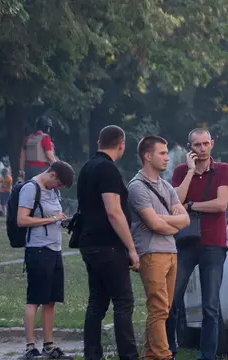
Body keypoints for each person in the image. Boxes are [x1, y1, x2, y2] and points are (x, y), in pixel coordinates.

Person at [166, 128, 228, 360]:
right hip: (185, 242)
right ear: (190, 148)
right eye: (198, 145)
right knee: (172, 299)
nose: (203, 149)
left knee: (211, 305)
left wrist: (192, 205)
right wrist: (190, 172)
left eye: (206, 144)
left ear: (212, 144)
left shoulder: (223, 170)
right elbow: (176, 200)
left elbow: (220, 204)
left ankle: (208, 355)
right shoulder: (180, 171)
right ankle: (169, 349)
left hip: (213, 244)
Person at [77, 125, 140, 360]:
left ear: (98, 143)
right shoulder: (108, 170)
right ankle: (129, 355)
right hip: (108, 245)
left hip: (88, 242)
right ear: (121, 144)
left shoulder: (87, 168)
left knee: (97, 303)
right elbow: (113, 211)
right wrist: (131, 248)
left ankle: (92, 354)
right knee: (123, 302)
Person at [128, 136, 190, 360]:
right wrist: (171, 223)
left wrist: (166, 222)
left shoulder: (166, 186)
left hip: (171, 251)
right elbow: (153, 223)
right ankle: (164, 355)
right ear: (147, 156)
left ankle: (151, 355)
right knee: (159, 307)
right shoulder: (137, 187)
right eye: (162, 153)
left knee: (164, 308)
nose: (166, 157)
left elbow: (186, 220)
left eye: (166, 153)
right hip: (151, 252)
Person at [17, 161, 75, 359]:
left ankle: (48, 346)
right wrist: (51, 219)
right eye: (58, 184)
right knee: (35, 299)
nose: (58, 188)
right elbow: (22, 220)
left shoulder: (53, 192)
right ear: (52, 175)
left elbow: (53, 216)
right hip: (38, 250)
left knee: (51, 300)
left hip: (55, 249)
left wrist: (61, 219)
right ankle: (30, 346)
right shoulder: (31, 188)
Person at [20, 116, 57, 180]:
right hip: (41, 170)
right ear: (47, 128)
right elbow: (50, 157)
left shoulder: (28, 138)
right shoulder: (45, 137)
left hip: (28, 170)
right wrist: (58, 167)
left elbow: (22, 156)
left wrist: (22, 171)